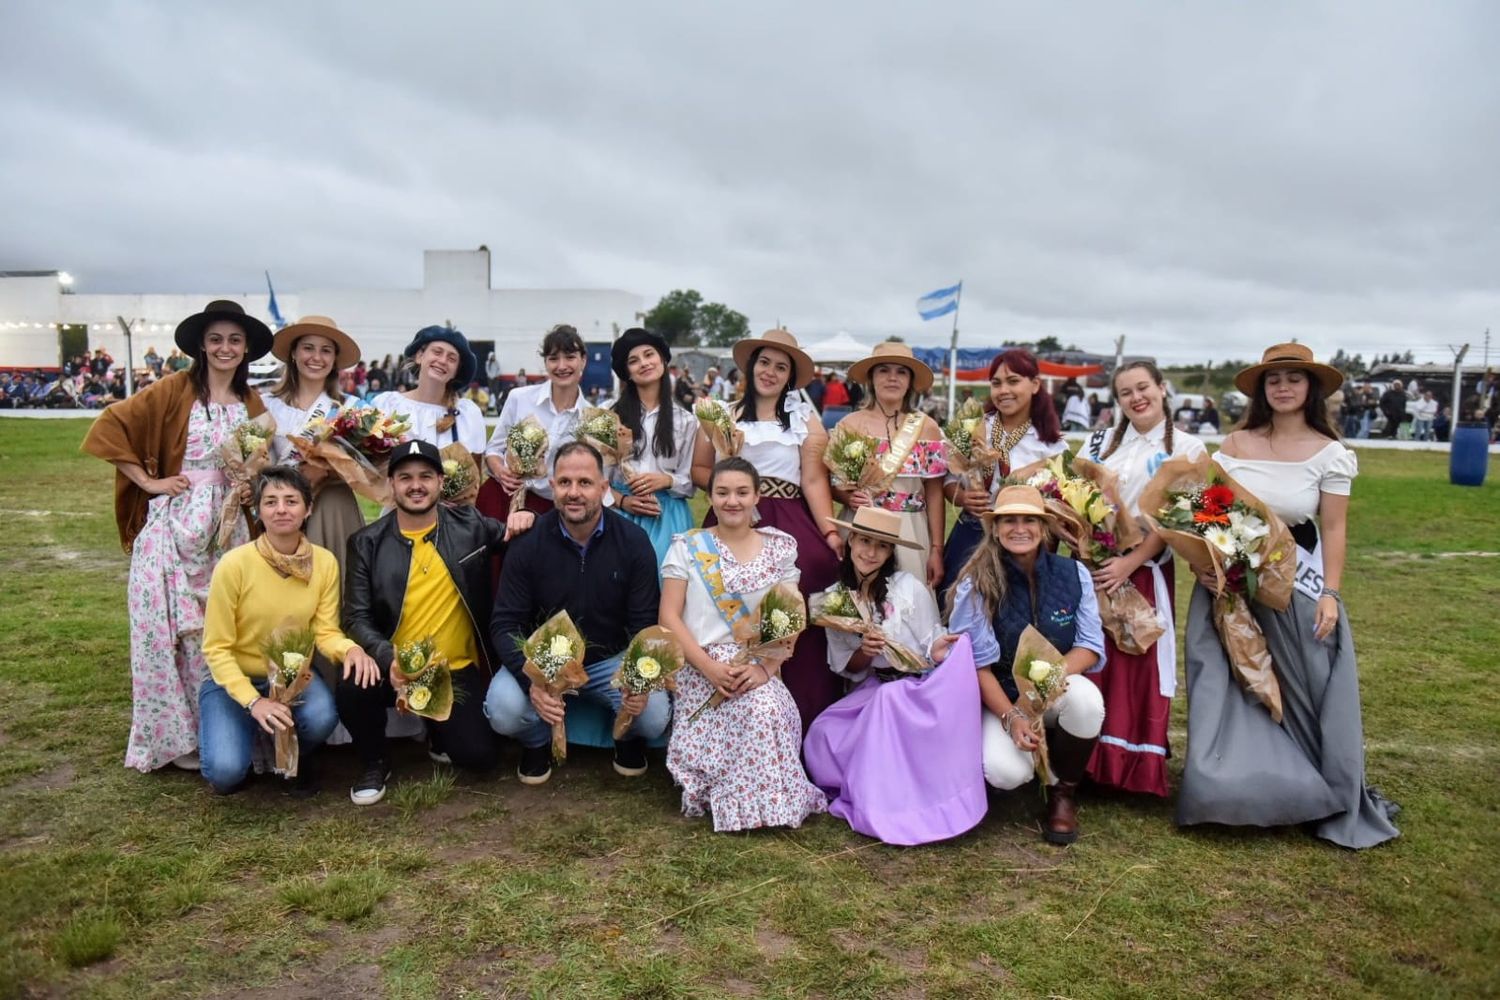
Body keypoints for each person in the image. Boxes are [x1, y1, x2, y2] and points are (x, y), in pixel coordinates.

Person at [1177, 344, 1399, 849]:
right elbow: (1207, 511)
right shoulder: (1233, 443)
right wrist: (1201, 563)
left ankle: (1322, 791)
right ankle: (1233, 791)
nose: (1282, 387)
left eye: (1294, 379)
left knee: (1305, 688)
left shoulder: (1330, 452)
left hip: (1294, 586)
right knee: (1229, 687)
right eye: (1273, 379)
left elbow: (1335, 530)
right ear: (1260, 389)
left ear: (1310, 388)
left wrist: (1331, 595)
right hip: (1229, 584)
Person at [82, 300, 273, 772]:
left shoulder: (253, 403)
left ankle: (219, 726)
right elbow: (109, 425)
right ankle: (175, 736)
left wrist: (251, 482)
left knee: (220, 630)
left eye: (234, 340)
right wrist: (149, 483)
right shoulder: (172, 391)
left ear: (246, 348)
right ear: (201, 347)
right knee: (166, 632)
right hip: (174, 526)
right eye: (216, 339)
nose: (225, 348)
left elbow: (259, 461)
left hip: (228, 530)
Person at [660, 458, 829, 831]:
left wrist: (764, 669)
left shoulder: (779, 547)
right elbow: (669, 618)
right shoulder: (687, 548)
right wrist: (710, 668)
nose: (732, 501)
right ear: (711, 497)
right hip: (701, 670)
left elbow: (791, 617)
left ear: (757, 496)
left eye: (741, 492)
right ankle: (741, 800)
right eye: (722, 493)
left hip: (758, 667)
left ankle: (762, 805)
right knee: (755, 710)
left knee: (764, 707)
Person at [485, 442, 669, 784]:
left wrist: (638, 681)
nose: (574, 492)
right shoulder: (528, 542)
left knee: (654, 715)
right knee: (504, 709)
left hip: (608, 660)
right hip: (543, 662)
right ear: (552, 486)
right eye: (565, 482)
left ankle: (626, 736)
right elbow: (504, 623)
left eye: (585, 483)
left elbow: (645, 621)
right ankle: (536, 742)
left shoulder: (633, 540)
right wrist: (532, 683)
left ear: (603, 488)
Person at [337, 440, 508, 805]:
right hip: (395, 666)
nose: (416, 485)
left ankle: (438, 730)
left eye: (426, 476)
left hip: (454, 669)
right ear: (391, 484)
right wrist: (387, 658)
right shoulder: (366, 543)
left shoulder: (471, 525)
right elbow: (355, 615)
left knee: (480, 758)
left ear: (440, 482)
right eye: (406, 477)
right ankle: (373, 760)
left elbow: (515, 538)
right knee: (353, 681)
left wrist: (525, 520)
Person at [691, 329, 843, 733]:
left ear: (790, 375)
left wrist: (829, 534)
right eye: (764, 363)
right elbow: (700, 469)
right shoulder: (722, 414)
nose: (770, 372)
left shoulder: (805, 422)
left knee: (814, 573)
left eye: (781, 367)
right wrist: (732, 492)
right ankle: (728, 706)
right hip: (735, 513)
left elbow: (813, 481)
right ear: (750, 365)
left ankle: (806, 708)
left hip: (789, 513)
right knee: (717, 588)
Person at [803, 507, 980, 845]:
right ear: (850, 540)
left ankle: (898, 803)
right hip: (874, 687)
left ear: (890, 553)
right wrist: (866, 651)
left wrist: (938, 649)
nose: (870, 553)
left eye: (881, 546)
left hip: (915, 688)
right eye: (864, 541)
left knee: (888, 701)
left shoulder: (908, 588)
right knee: (823, 733)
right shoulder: (834, 600)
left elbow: (929, 645)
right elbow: (848, 666)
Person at [199, 467, 379, 795]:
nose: (281, 509)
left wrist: (350, 650)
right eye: (270, 502)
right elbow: (216, 648)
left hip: (292, 676)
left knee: (323, 717)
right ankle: (250, 737)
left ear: (308, 508)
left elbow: (325, 630)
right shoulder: (234, 565)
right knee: (224, 774)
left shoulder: (323, 563)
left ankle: (294, 756)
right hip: (234, 677)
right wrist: (254, 702)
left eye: (291, 500)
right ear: (258, 510)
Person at [948, 486, 1107, 845]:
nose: (1020, 528)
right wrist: (1013, 715)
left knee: (1087, 702)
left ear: (1044, 528)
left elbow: (1089, 646)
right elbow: (976, 667)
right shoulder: (977, 581)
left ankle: (1061, 791)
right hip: (1001, 697)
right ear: (995, 528)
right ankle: (1024, 757)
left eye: (1029, 520)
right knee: (1006, 774)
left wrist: (1039, 690)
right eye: (1009, 521)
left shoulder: (1073, 573)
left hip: (1054, 689)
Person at [1081, 361, 1207, 796]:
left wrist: (1131, 562)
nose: (1136, 398)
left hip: (1144, 569)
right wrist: (1092, 546)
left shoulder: (1189, 448)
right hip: (1096, 565)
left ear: (1162, 388)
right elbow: (1076, 495)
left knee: (1137, 661)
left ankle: (1131, 766)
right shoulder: (1099, 442)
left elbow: (1176, 517)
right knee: (1096, 659)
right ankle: (1087, 761)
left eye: (1143, 388)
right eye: (1125, 393)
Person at [940, 349, 1066, 604]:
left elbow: (1059, 503)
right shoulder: (972, 428)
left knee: (1015, 611)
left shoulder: (1051, 445)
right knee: (958, 607)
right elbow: (947, 481)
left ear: (1035, 385)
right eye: (996, 383)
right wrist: (963, 497)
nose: (1003, 390)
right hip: (972, 533)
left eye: (1013, 381)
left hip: (1022, 540)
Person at [831, 342, 947, 586]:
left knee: (908, 604)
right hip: (861, 525)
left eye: (901, 371)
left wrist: (936, 548)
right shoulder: (849, 425)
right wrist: (847, 498)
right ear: (871, 377)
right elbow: (832, 483)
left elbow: (935, 492)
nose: (892, 378)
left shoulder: (927, 427)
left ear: (910, 381)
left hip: (910, 528)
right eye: (883, 370)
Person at [259, 317, 364, 578]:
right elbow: (252, 461)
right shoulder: (266, 405)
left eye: (326, 350)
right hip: (281, 510)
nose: (316, 357)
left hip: (332, 508)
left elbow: (368, 468)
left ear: (334, 360)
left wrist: (329, 471)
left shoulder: (351, 408)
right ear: (293, 353)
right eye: (308, 347)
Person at [479, 324, 600, 543]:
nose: (561, 366)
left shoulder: (591, 418)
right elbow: (494, 449)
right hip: (502, 499)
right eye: (553, 358)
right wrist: (500, 471)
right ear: (545, 363)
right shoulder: (519, 398)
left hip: (550, 511)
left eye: (570, 357)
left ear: (583, 360)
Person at [606, 328, 697, 564]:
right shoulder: (609, 417)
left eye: (649, 355)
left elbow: (690, 481)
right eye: (633, 361)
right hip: (621, 514)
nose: (644, 364)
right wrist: (622, 501)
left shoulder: (685, 420)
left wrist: (667, 480)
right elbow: (596, 478)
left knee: (667, 585)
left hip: (667, 515)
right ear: (626, 372)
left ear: (663, 360)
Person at [370, 325, 488, 454]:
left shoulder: (467, 415)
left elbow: (475, 467)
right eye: (437, 352)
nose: (443, 361)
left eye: (451, 359)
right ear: (419, 356)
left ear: (456, 371)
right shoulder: (387, 405)